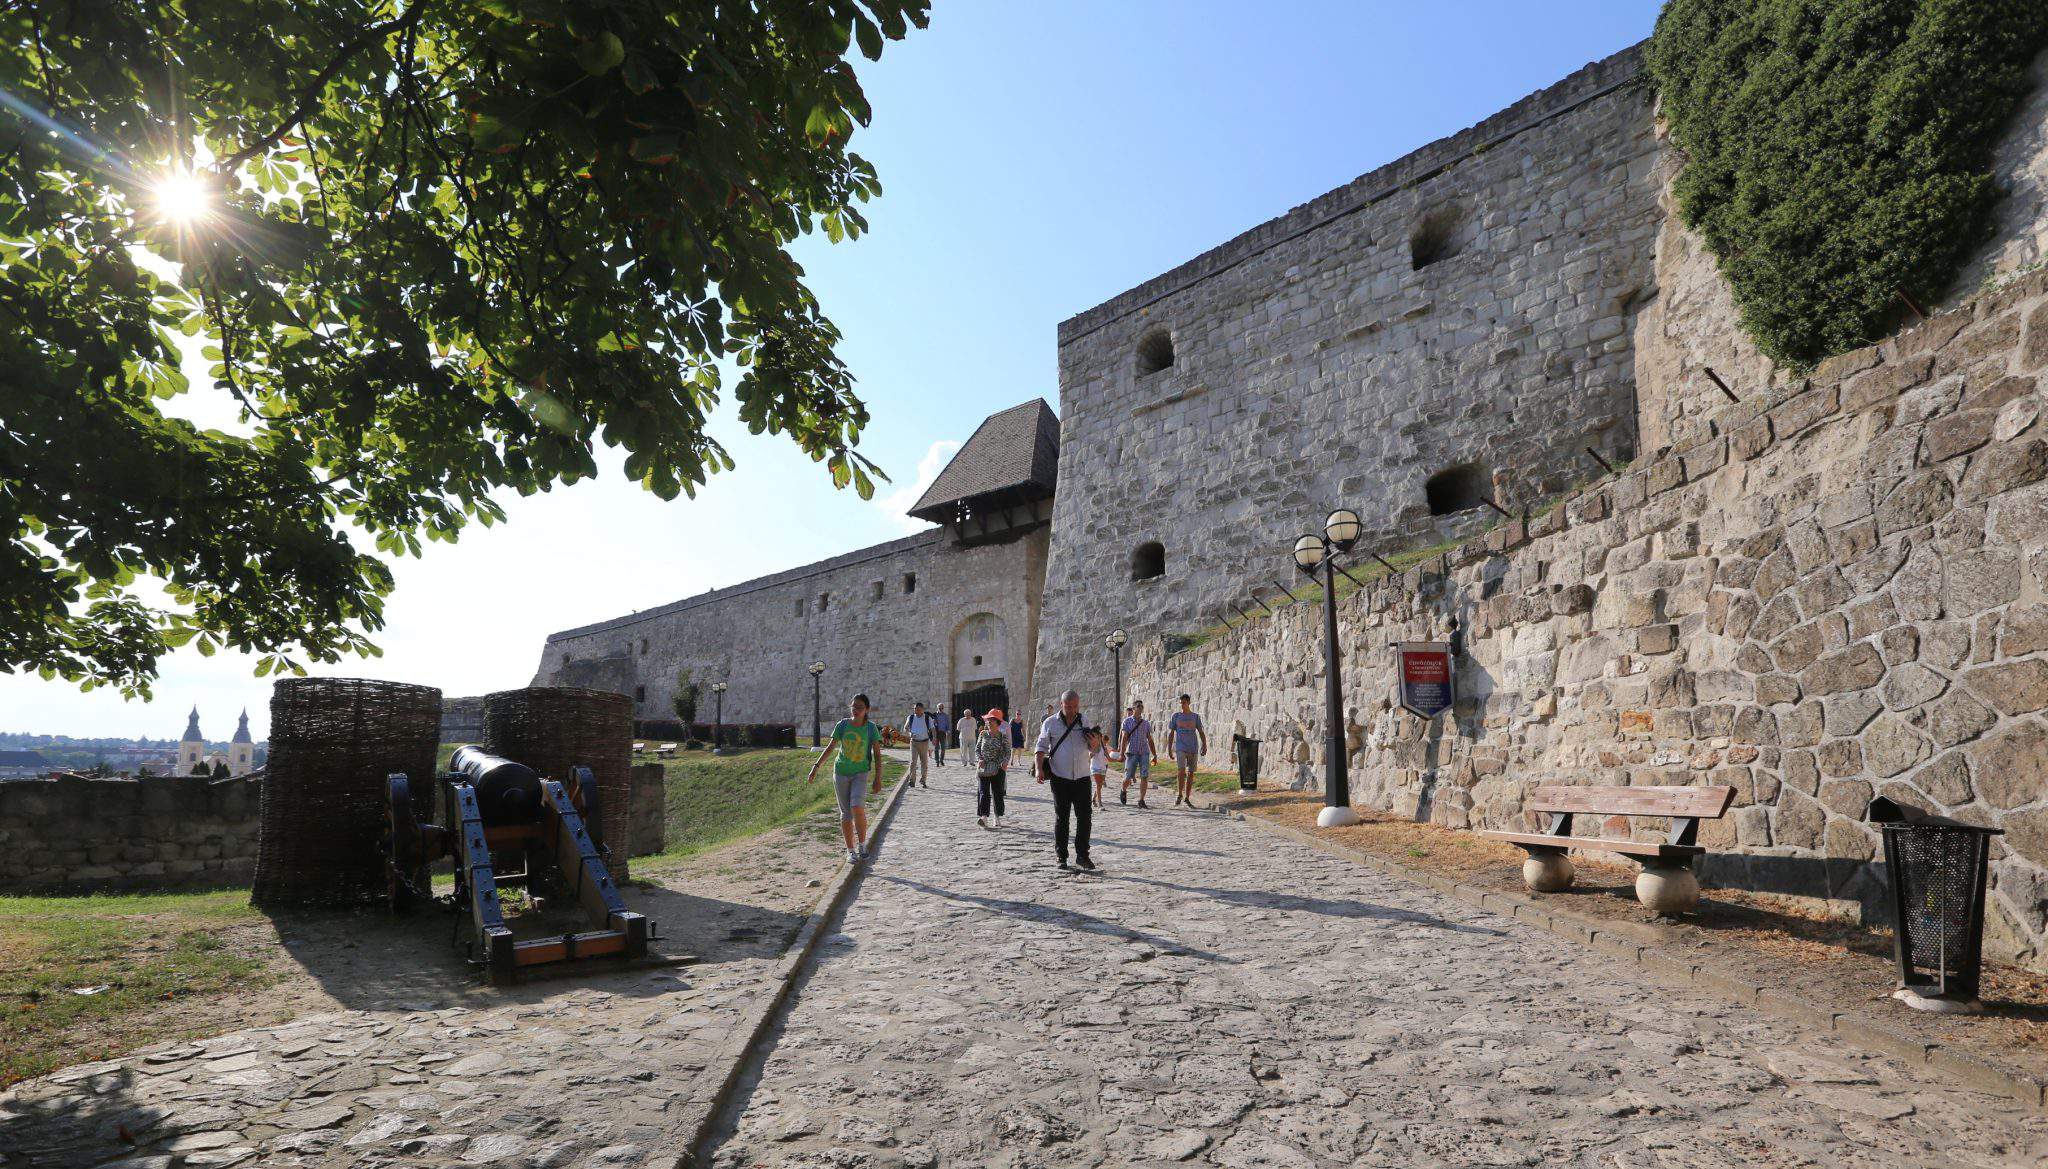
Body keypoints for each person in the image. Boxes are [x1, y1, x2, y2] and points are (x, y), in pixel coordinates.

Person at [808, 693, 884, 863]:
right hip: (841, 772)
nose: (856, 710)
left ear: (867, 710)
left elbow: (878, 756)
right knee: (846, 814)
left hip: (861, 772)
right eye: (854, 706)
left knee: (857, 806)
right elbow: (830, 748)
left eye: (860, 707)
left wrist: (878, 778)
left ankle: (862, 844)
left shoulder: (871, 728)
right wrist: (816, 766)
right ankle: (850, 850)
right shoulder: (842, 725)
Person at [1036, 690, 1097, 872]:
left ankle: (1082, 856)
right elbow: (1040, 747)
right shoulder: (1050, 723)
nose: (1072, 710)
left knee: (1085, 818)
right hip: (1059, 776)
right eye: (1068, 707)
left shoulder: (1084, 721)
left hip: (1082, 776)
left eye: (1075, 707)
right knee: (1062, 818)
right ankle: (1061, 855)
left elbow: (1095, 747)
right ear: (1061, 704)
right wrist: (1039, 768)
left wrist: (1094, 742)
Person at [1167, 693, 1208, 807]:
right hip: (1180, 747)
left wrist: (1204, 745)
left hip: (1193, 747)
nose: (1182, 705)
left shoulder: (1195, 717)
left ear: (1189, 703)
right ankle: (1179, 793)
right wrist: (1170, 749)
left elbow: (1201, 732)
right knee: (1181, 771)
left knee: (1191, 773)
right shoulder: (1176, 716)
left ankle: (1187, 797)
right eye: (1181, 703)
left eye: (1184, 703)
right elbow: (1171, 733)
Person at [973, 708, 1011, 829]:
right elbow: (977, 749)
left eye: (991, 720)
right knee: (983, 792)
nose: (988, 722)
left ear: (998, 722)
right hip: (984, 767)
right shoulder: (982, 734)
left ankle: (997, 817)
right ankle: (984, 817)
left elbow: (1007, 751)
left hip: (998, 768)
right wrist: (979, 759)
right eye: (988, 720)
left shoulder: (1002, 736)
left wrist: (1005, 762)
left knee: (997, 793)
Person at [1119, 699, 1156, 808]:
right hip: (1132, 752)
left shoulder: (1146, 723)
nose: (1140, 708)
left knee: (1144, 775)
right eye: (1138, 706)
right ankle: (1123, 789)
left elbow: (1150, 739)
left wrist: (1154, 754)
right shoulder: (1127, 722)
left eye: (1141, 706)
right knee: (1128, 776)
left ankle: (1141, 800)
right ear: (1134, 708)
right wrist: (1121, 753)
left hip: (1144, 752)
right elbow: (1124, 738)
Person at [902, 702, 933, 788]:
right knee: (913, 762)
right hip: (914, 742)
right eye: (915, 709)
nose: (916, 710)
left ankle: (923, 780)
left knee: (924, 762)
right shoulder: (911, 717)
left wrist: (934, 738)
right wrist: (909, 733)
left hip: (924, 742)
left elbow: (932, 728)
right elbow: (905, 728)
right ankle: (912, 781)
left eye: (918, 709)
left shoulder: (927, 718)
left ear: (922, 710)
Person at [1087, 726, 1109, 808]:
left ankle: (1094, 798)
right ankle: (1100, 803)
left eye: (1098, 737)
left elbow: (1109, 758)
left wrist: (1119, 759)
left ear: (1100, 738)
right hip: (1095, 768)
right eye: (1095, 737)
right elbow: (1089, 757)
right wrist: (1091, 754)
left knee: (1099, 785)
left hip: (1103, 768)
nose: (1097, 738)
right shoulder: (1093, 746)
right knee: (1098, 784)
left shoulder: (1104, 747)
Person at [933, 703, 949, 767]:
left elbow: (947, 723)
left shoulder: (945, 715)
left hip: (943, 733)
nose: (941, 709)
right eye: (939, 708)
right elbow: (931, 724)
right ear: (937, 708)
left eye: (942, 708)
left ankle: (941, 760)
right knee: (936, 748)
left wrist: (948, 731)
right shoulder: (934, 715)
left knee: (943, 748)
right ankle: (937, 761)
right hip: (936, 733)